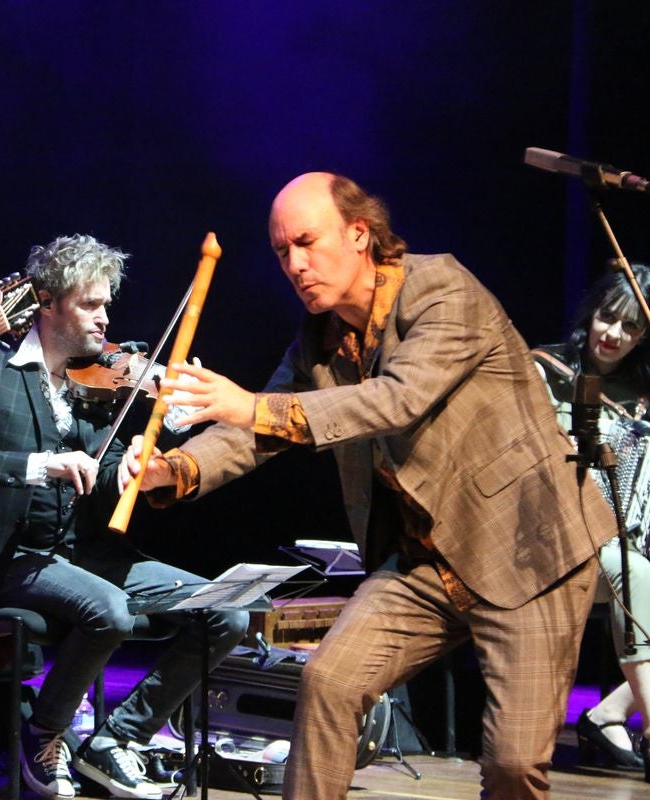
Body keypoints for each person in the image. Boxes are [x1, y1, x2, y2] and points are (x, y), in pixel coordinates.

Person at [122, 172, 614, 799]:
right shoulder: (319, 343)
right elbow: (260, 428)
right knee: (328, 681)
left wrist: (248, 407)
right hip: (424, 564)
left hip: (523, 550)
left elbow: (395, 400)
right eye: (282, 252)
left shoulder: (443, 289)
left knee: (514, 765)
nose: (295, 265)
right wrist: (175, 468)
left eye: (306, 242)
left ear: (360, 233)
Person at [0, 234, 249, 800]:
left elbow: (110, 455)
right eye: (90, 305)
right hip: (10, 557)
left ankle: (114, 739)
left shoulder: (96, 379)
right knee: (112, 613)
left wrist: (131, 467)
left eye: (106, 304)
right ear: (46, 302)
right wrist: (38, 465)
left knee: (226, 614)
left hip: (86, 552)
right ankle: (43, 736)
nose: (104, 318)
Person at [531, 264, 650, 777]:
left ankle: (611, 712)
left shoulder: (643, 392)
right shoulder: (547, 370)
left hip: (630, 542)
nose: (613, 335)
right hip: (558, 544)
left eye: (630, 328)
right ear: (591, 312)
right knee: (638, 574)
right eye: (607, 317)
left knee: (638, 567)